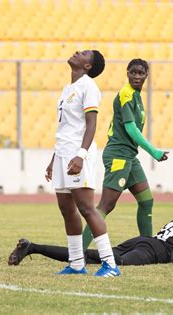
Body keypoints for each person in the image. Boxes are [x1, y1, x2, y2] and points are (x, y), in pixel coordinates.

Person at [44, 50, 120, 277]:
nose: (78, 51)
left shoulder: (89, 86)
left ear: (88, 66)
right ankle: (77, 263)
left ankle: (110, 264)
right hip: (63, 154)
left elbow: (91, 124)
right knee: (67, 209)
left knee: (86, 208)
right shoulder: (68, 88)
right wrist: (53, 159)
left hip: (78, 154)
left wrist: (81, 154)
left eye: (84, 53)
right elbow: (66, 128)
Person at [82, 59, 169, 250]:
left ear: (147, 75)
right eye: (133, 72)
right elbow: (131, 129)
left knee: (146, 201)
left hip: (129, 156)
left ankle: (148, 248)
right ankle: (77, 251)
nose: (137, 76)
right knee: (105, 206)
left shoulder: (136, 96)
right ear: (127, 73)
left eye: (141, 73)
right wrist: (154, 152)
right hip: (118, 155)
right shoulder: (126, 95)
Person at [9, 196, 173, 266]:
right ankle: (32, 248)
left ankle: (32, 247)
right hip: (155, 251)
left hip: (142, 241)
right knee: (112, 264)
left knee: (89, 257)